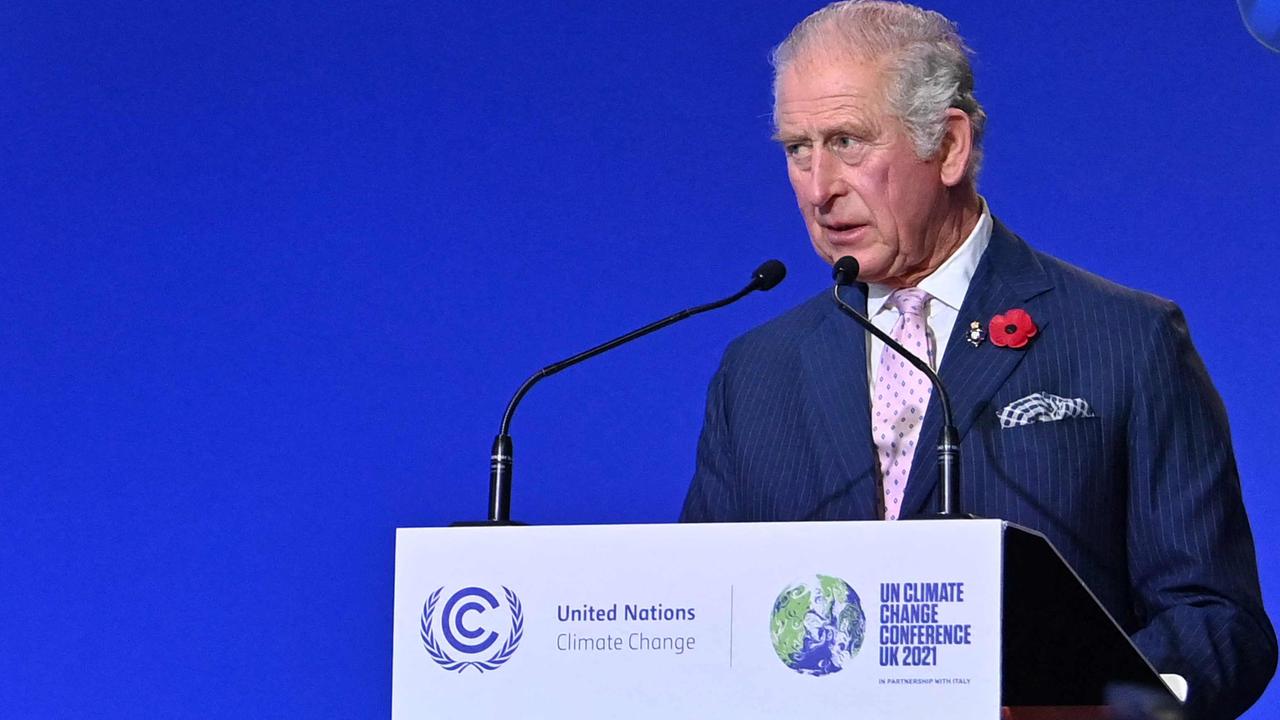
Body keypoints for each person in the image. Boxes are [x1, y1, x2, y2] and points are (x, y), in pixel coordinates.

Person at [679, 2, 1276, 718]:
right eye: (797, 148)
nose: (818, 187)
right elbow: (706, 620)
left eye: (846, 141)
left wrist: (1101, 707)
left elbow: (1216, 619)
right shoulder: (757, 372)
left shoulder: (1127, 340)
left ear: (950, 146)